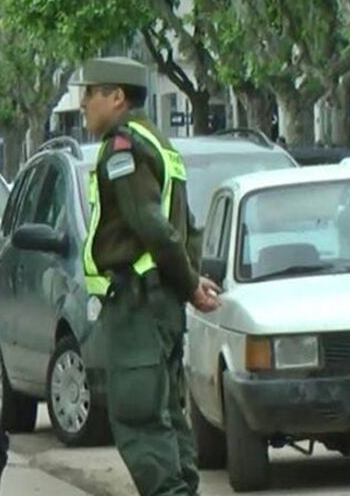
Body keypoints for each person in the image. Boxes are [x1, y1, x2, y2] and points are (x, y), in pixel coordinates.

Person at [75, 56, 221, 496]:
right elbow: (187, 226)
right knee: (166, 414)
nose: (83, 104)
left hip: (137, 303)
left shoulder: (123, 147)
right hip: (160, 302)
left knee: (137, 416)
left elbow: (152, 224)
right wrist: (189, 279)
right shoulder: (158, 143)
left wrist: (192, 285)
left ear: (116, 97)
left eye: (90, 93)